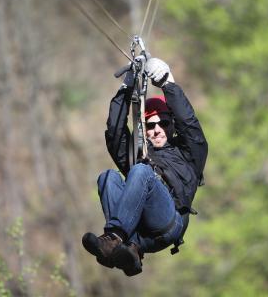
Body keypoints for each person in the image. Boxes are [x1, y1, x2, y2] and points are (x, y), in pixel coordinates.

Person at [82, 57, 208, 276]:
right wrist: (125, 89)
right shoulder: (138, 152)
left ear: (172, 126)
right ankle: (128, 253)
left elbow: (190, 126)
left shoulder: (188, 153)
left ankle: (114, 239)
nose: (157, 130)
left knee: (141, 170)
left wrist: (168, 84)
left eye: (164, 123)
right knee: (108, 177)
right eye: (150, 125)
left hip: (169, 221)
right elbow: (115, 133)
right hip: (139, 230)